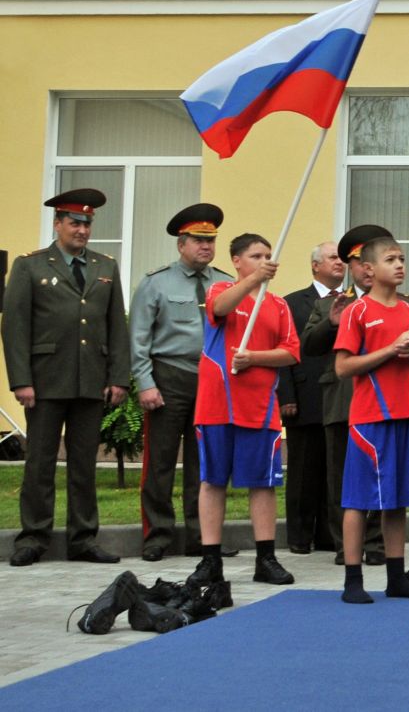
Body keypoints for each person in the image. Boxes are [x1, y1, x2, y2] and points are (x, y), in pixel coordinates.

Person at [4, 188, 128, 567]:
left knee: (84, 463)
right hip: (44, 380)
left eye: (87, 224)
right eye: (75, 223)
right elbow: (15, 327)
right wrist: (21, 380)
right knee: (39, 461)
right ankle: (33, 538)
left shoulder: (105, 266)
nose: (82, 230)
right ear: (57, 224)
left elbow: (115, 328)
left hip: (90, 379)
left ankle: (83, 537)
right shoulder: (31, 265)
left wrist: (118, 377)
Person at [190, 232, 300, 595]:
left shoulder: (279, 305)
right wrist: (253, 279)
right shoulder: (220, 288)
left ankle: (265, 557)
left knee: (263, 482)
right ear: (237, 260)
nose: (265, 261)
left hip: (260, 406)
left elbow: (290, 352)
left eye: (268, 255)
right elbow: (219, 309)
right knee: (213, 480)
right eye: (256, 255)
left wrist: (254, 358)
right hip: (217, 403)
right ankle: (210, 559)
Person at [333, 235, 409, 604]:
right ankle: (352, 579)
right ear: (369, 270)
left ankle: (396, 577)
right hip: (369, 418)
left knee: (397, 500)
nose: (400, 265)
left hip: (405, 415)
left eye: (403, 258)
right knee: (359, 500)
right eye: (391, 259)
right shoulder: (357, 312)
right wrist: (391, 349)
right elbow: (343, 367)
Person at [129, 202, 232, 562]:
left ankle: (201, 535)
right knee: (159, 461)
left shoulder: (225, 283)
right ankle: (157, 535)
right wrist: (145, 382)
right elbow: (139, 338)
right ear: (180, 244)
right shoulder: (156, 282)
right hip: (169, 375)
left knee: (203, 461)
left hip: (211, 380)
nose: (206, 247)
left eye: (210, 240)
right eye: (198, 240)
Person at [301, 224, 393, 566]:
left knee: (382, 472)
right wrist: (333, 323)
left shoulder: (405, 303)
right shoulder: (331, 305)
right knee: (341, 474)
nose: (367, 270)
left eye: (373, 261)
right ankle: (346, 544)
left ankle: (378, 543)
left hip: (385, 402)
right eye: (359, 263)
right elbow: (308, 346)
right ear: (352, 267)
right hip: (342, 400)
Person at [278, 241, 343, 555]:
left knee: (333, 470)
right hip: (304, 395)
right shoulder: (292, 302)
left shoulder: (351, 302)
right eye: (333, 258)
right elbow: (285, 350)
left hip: (338, 397)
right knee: (304, 471)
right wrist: (286, 394)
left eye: (342, 259)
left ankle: (329, 535)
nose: (339, 263)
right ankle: (300, 536)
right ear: (315, 265)